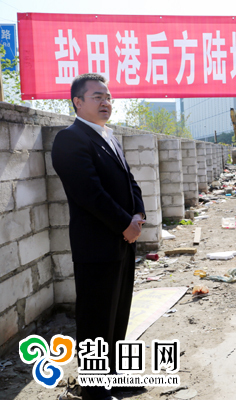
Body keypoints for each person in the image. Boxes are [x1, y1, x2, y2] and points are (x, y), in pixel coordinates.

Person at [51, 73, 146, 400]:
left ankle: (115, 378)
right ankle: (94, 389)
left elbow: (130, 182)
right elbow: (88, 192)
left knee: (118, 313)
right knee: (95, 319)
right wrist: (123, 224)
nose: (106, 103)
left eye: (108, 97)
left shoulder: (109, 137)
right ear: (77, 102)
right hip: (96, 244)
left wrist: (138, 215)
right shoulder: (70, 139)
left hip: (123, 241)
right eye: (97, 97)